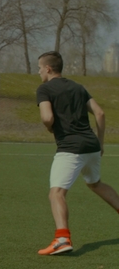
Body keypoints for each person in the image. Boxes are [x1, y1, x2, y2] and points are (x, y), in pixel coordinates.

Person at [36, 51, 119, 255]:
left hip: (70, 148)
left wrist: (50, 128)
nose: (38, 72)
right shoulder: (78, 87)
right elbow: (99, 113)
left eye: (39, 68)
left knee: (56, 193)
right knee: (95, 183)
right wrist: (100, 142)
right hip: (91, 146)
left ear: (48, 68)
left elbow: (47, 118)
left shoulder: (44, 89)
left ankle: (62, 239)